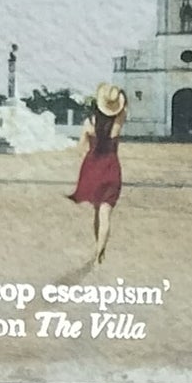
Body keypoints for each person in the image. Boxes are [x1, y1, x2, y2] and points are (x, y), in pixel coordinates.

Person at [68, 79, 128, 264]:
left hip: (94, 168)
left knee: (97, 211)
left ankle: (97, 247)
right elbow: (122, 110)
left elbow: (80, 149)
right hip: (111, 167)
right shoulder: (118, 122)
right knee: (105, 213)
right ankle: (99, 252)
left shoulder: (89, 124)